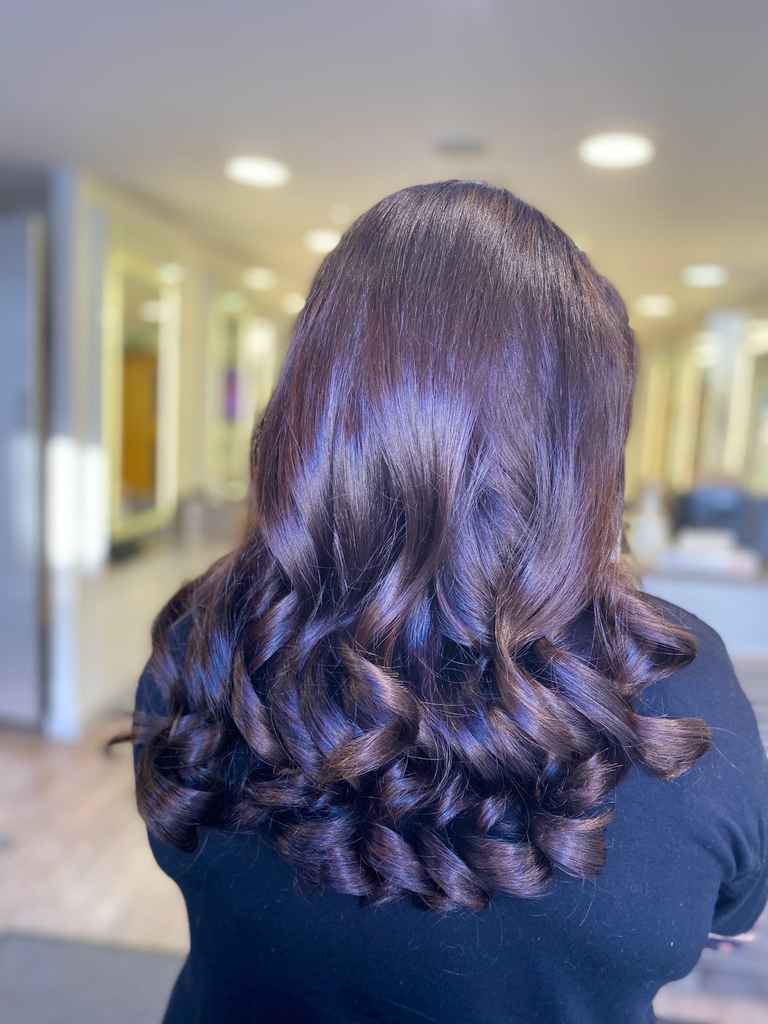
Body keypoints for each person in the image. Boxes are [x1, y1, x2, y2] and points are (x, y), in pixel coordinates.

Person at [128, 181, 768, 1024]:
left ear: (311, 412)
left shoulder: (205, 638)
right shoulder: (680, 688)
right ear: (581, 446)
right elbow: (731, 910)